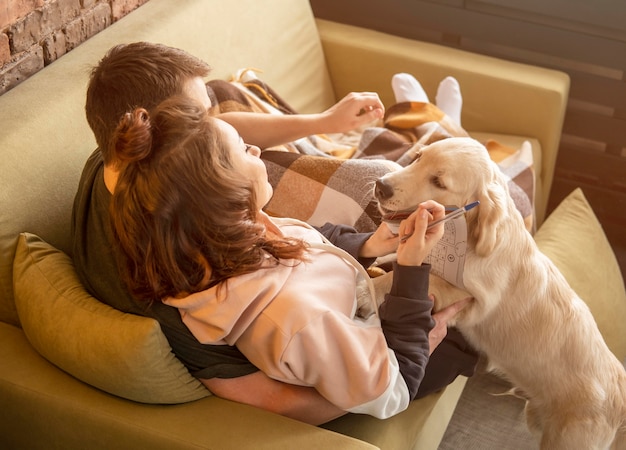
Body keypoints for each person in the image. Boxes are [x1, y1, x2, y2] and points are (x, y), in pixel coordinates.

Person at [71, 41, 476, 425]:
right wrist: (414, 325)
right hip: (370, 348)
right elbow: (353, 389)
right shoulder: (173, 282)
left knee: (396, 181)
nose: (248, 145)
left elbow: (294, 237)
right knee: (466, 322)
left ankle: (440, 128)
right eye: (202, 119)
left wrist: (366, 244)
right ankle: (438, 128)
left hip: (345, 299)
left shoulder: (142, 173)